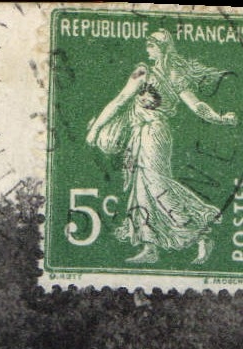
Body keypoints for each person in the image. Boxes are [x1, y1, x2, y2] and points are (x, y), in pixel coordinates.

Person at [86, 29, 237, 264]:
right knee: (140, 188)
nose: (148, 49)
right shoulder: (142, 72)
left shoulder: (174, 75)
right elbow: (120, 100)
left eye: (152, 44)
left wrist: (219, 118)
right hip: (138, 134)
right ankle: (150, 247)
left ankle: (200, 233)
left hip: (155, 134)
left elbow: (196, 105)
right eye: (148, 44)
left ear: (163, 48)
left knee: (157, 185)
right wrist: (96, 128)